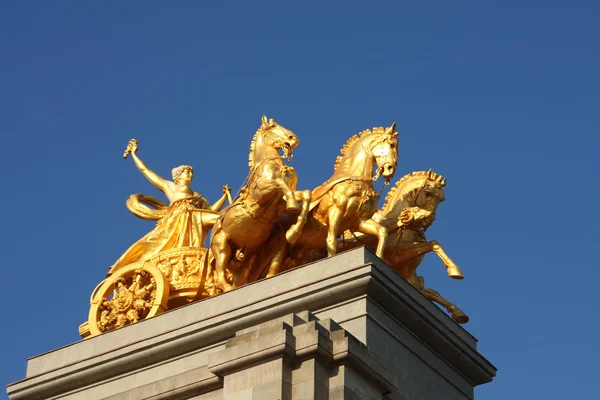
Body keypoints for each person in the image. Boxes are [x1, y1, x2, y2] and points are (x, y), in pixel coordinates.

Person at [107, 139, 230, 276]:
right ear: (178, 176)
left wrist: (224, 196)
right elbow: (146, 171)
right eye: (186, 172)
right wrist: (134, 154)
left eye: (191, 173)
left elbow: (211, 211)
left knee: (224, 218)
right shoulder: (170, 186)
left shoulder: (197, 196)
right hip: (178, 216)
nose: (190, 174)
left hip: (196, 216)